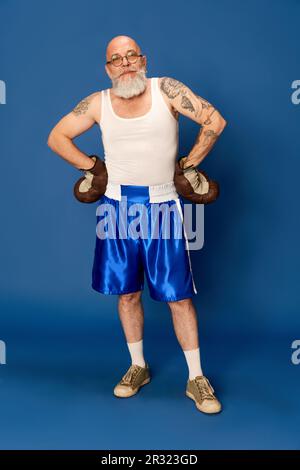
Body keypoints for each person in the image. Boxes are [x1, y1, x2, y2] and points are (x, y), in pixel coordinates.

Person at [47, 35, 227, 414]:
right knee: (127, 293)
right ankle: (137, 366)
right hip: (115, 208)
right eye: (117, 59)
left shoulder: (167, 90)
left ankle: (196, 377)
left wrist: (189, 165)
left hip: (162, 204)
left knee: (178, 296)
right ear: (108, 68)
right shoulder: (97, 103)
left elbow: (214, 120)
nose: (125, 63)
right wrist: (92, 168)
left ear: (143, 60)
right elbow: (57, 137)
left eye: (132, 56)